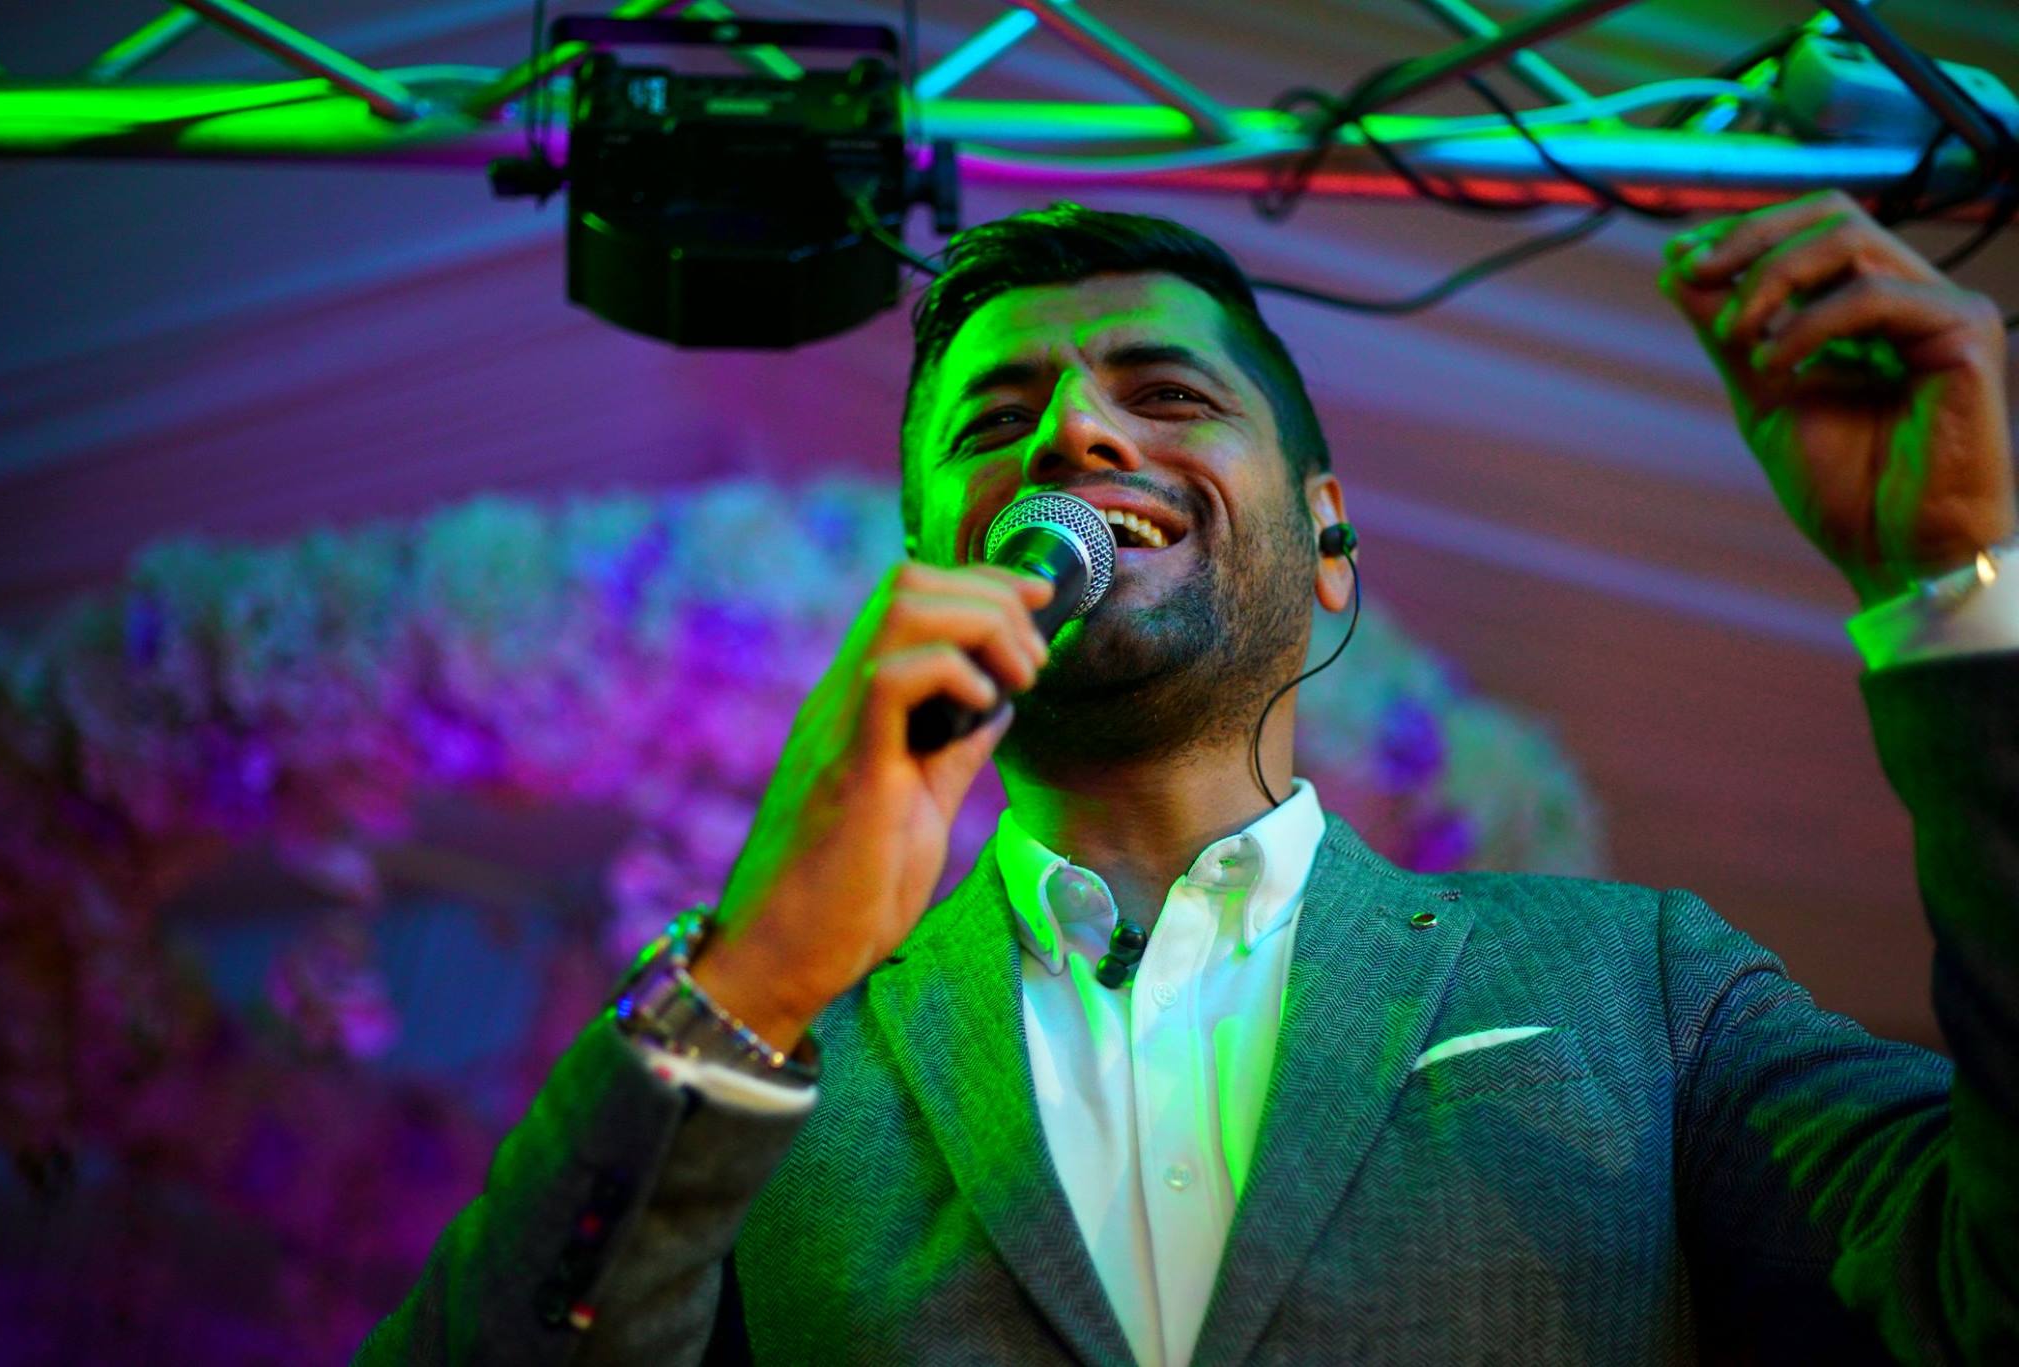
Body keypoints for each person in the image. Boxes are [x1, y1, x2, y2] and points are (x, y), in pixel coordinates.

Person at [360, 193, 2017, 1365]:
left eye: (1165, 393)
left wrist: (1956, 596)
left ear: (1331, 544)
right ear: (932, 568)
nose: (1079, 436)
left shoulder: (1635, 985)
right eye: (996, 421)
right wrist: (760, 972)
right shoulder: (777, 1066)